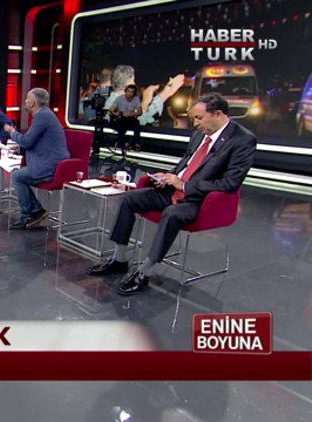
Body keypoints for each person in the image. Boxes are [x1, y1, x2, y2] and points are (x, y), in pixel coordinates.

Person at [86, 93, 256, 295]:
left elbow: (230, 183)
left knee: (172, 214)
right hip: (173, 189)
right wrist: (169, 176)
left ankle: (144, 272)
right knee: (129, 199)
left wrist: (185, 186)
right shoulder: (199, 134)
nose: (195, 123)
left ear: (218, 114)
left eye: (199, 118)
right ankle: (119, 259)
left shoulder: (242, 139)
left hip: (200, 201)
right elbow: (186, 164)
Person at [3, 88, 69, 230]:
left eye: (27, 98)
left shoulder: (42, 116)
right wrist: (19, 149)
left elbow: (27, 141)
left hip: (50, 166)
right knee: (18, 174)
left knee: (17, 176)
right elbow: (36, 142)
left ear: (32, 102)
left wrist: (12, 132)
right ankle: (35, 210)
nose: (25, 101)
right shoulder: (45, 115)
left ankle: (29, 214)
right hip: (48, 161)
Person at [109, 84, 142, 150]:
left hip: (131, 118)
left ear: (134, 93)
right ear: (125, 91)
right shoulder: (119, 98)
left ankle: (137, 143)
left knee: (137, 124)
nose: (129, 93)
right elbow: (112, 109)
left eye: (132, 92)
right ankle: (125, 143)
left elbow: (140, 112)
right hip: (121, 118)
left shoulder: (136, 99)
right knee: (120, 125)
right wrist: (117, 113)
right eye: (128, 91)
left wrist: (131, 114)